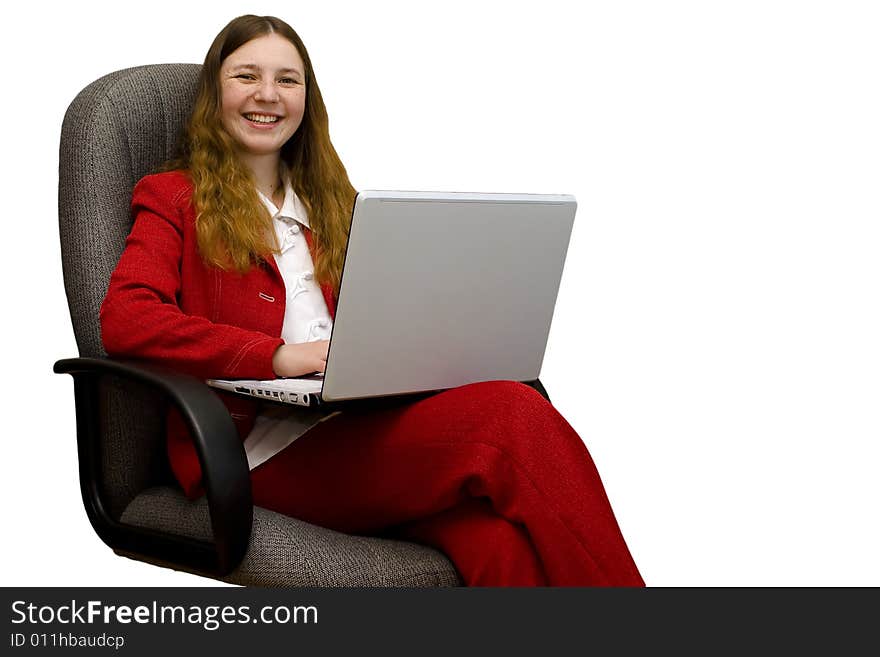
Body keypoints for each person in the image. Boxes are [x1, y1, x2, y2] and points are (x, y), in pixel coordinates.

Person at [100, 14, 644, 586]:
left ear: (308, 98)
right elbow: (128, 318)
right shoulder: (173, 196)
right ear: (215, 92)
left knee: (496, 544)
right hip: (250, 453)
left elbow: (391, 318)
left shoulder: (335, 202)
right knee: (509, 421)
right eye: (246, 76)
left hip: (354, 426)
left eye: (288, 80)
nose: (267, 95)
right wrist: (278, 355)